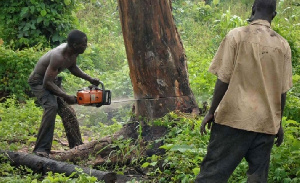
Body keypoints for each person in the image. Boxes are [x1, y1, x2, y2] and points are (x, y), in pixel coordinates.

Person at [195, 0, 293, 182]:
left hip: (233, 119)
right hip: (265, 124)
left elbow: (223, 79)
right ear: (274, 15)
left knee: (212, 175)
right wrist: (277, 123)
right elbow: (282, 91)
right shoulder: (283, 45)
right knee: (257, 178)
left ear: (253, 9)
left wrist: (211, 112)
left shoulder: (236, 36)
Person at [28, 30, 100, 158]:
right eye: (84, 44)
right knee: (51, 107)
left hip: (51, 80)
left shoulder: (72, 53)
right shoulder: (58, 56)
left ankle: (77, 147)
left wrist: (90, 79)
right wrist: (66, 96)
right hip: (39, 81)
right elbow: (47, 83)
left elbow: (73, 68)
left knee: (68, 112)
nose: (86, 46)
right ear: (74, 45)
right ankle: (41, 150)